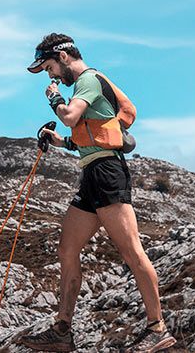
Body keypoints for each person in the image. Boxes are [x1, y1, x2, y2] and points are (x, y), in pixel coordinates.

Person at [19, 33, 176, 353]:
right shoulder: (84, 87)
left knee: (131, 251)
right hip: (93, 174)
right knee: (67, 247)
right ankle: (62, 330)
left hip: (108, 174)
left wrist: (53, 99)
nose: (50, 76)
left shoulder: (88, 81)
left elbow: (70, 117)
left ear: (62, 58)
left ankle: (157, 328)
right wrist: (57, 141)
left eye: (49, 67)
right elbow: (84, 138)